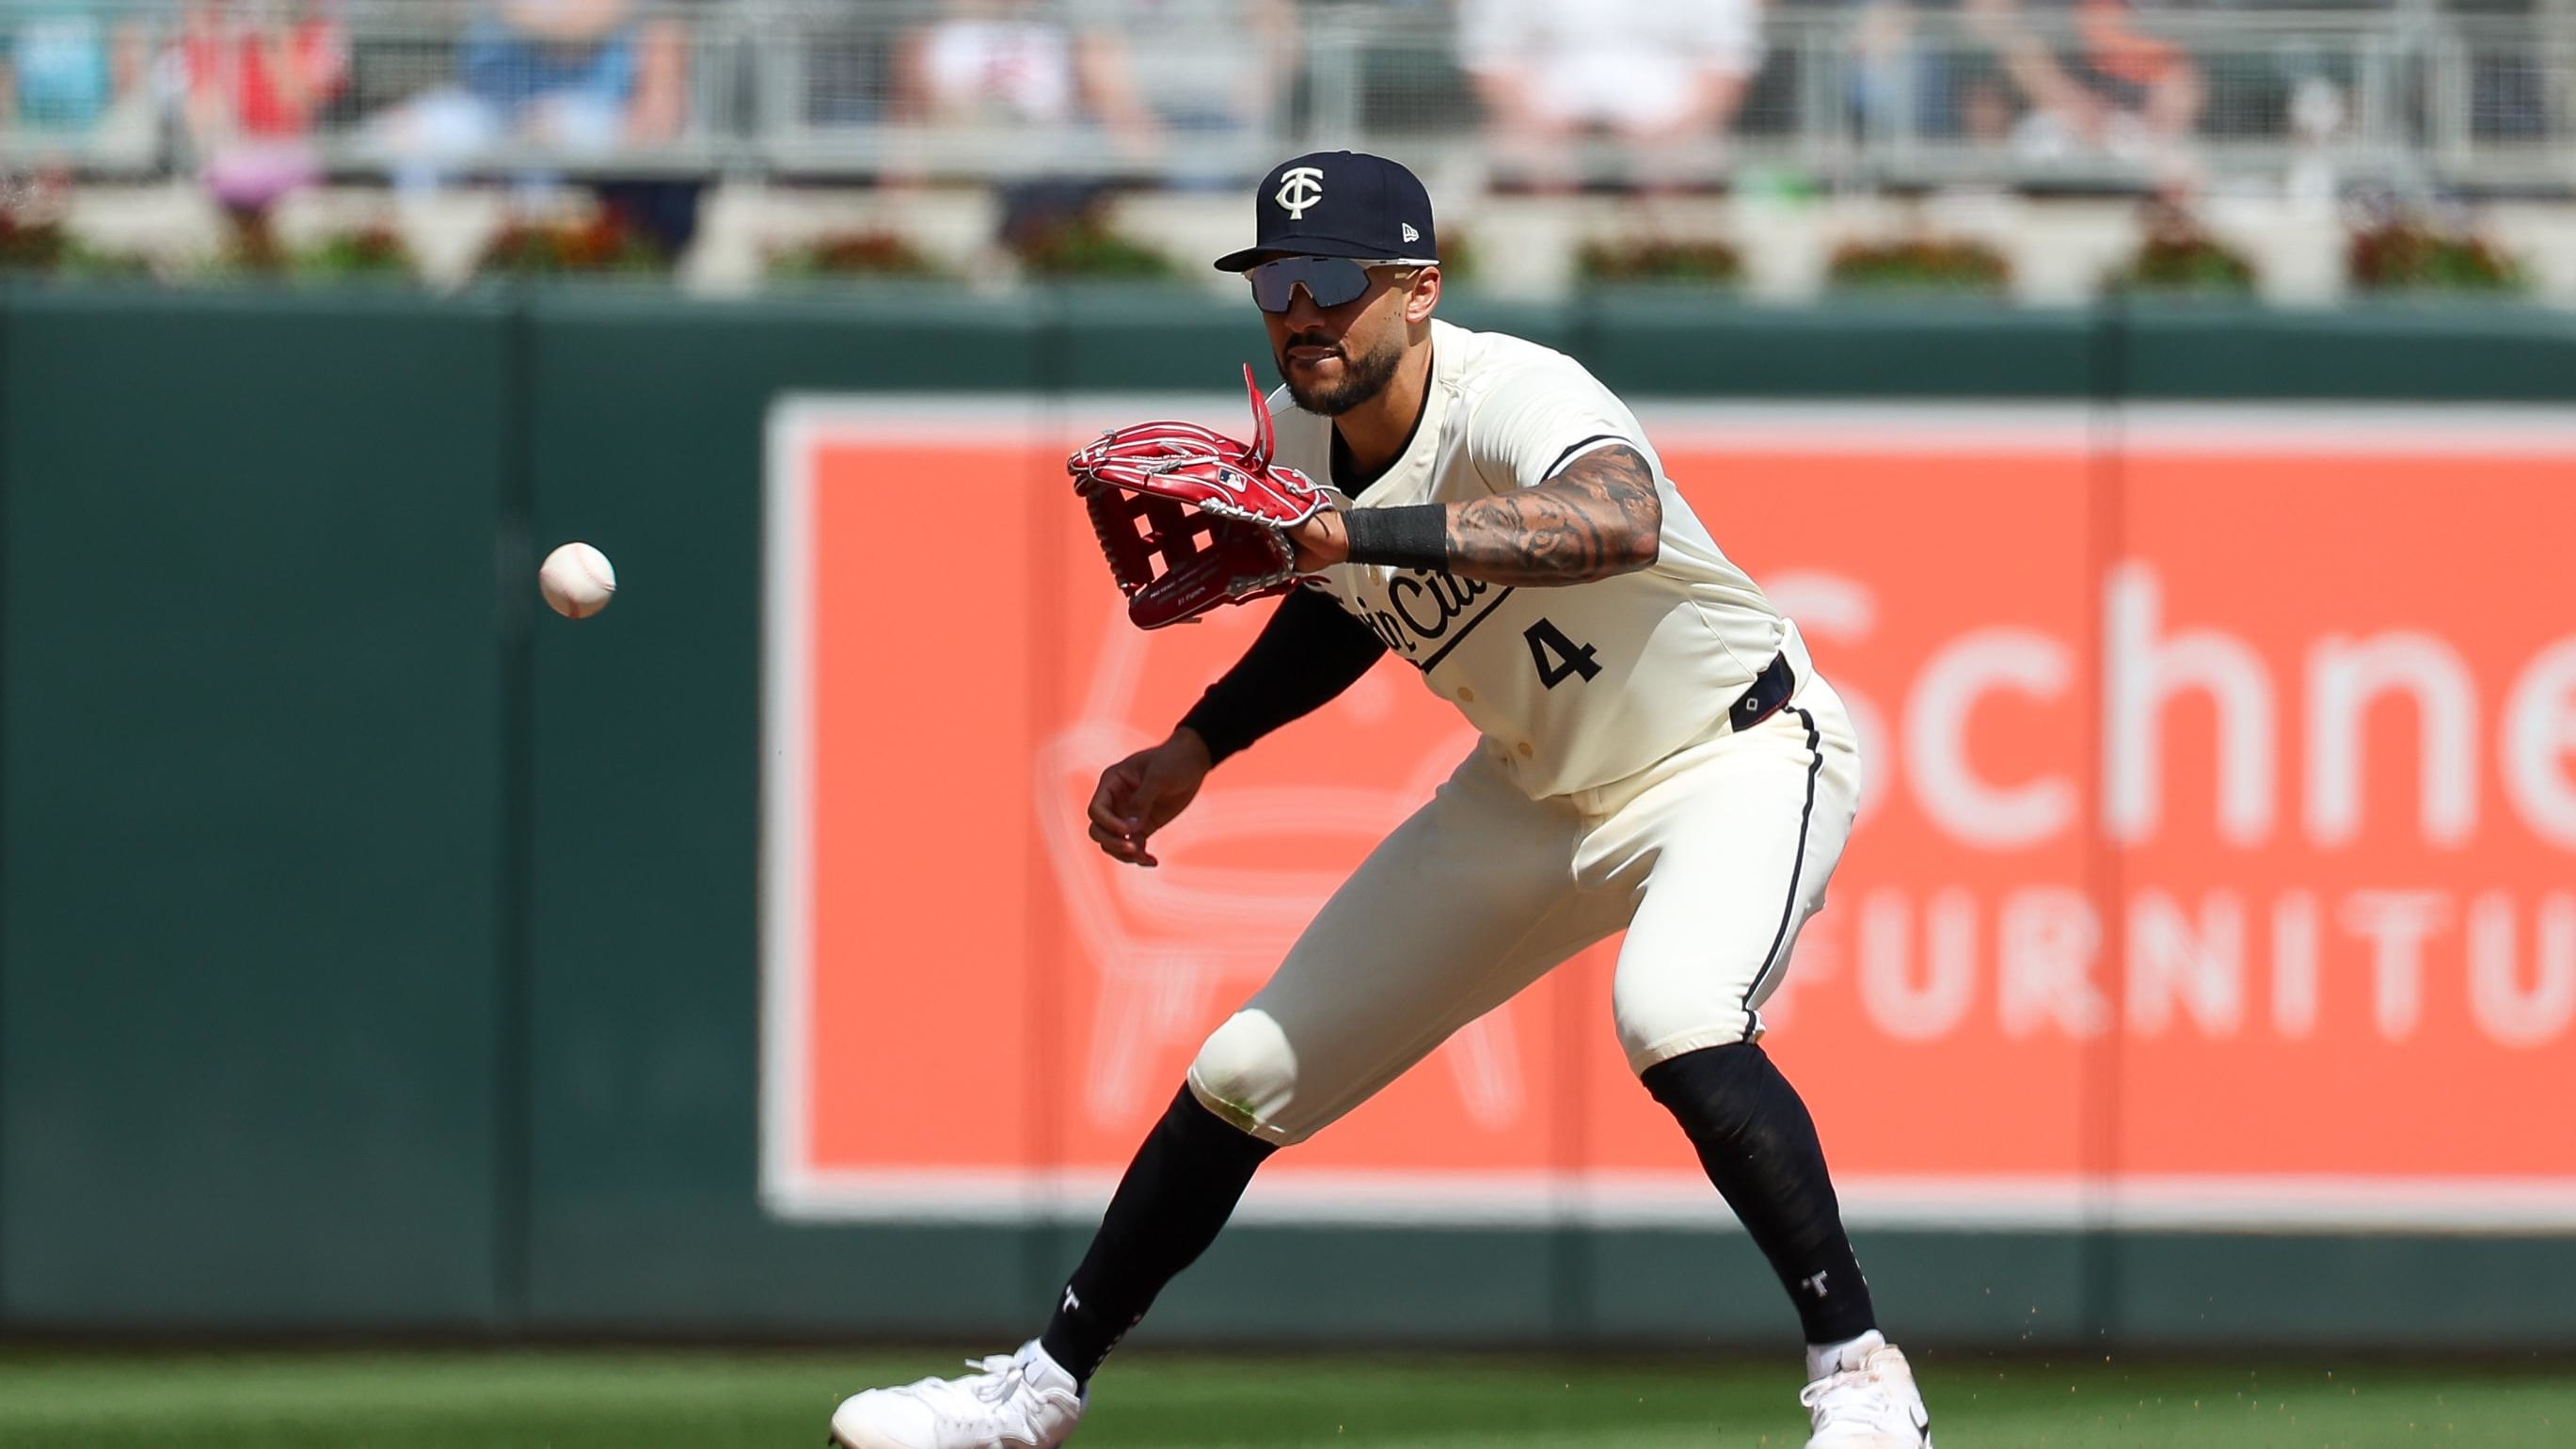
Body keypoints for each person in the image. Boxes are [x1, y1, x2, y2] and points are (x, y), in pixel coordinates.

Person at [824, 151, 1934, 1449]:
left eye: (1331, 279)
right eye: (1271, 280)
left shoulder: (1509, 390)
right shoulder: (1302, 441)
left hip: (1732, 751)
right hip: (1532, 795)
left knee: (1672, 1011)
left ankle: (1861, 1380)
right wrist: (1196, 745)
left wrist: (1348, 539)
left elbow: (1614, 519)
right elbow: (1344, 613)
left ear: (1415, 290)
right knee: (1244, 1069)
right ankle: (1032, 1394)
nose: (1299, 309)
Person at [1460, 0, 1764, 189]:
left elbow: (1728, 63)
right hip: (1539, 126)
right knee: (1521, 161)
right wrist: (1545, 125)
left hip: (1678, 131)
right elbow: (1491, 56)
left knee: (1691, 166)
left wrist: (1668, 131)